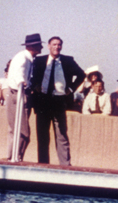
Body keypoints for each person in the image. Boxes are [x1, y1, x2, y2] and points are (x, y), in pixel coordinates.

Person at [30, 36, 85, 165]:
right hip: (43, 100)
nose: (57, 47)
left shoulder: (68, 60)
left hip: (59, 100)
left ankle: (65, 164)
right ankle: (43, 164)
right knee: (42, 136)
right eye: (54, 44)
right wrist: (35, 86)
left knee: (61, 135)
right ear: (48, 46)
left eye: (59, 44)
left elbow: (82, 74)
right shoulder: (39, 60)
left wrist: (71, 89)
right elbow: (30, 76)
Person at [5, 33, 43, 161]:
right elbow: (19, 72)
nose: (41, 48)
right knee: (23, 132)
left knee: (15, 130)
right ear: (33, 46)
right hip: (18, 94)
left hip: (16, 94)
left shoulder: (26, 57)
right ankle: (16, 157)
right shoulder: (23, 58)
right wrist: (22, 82)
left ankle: (11, 156)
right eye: (39, 45)